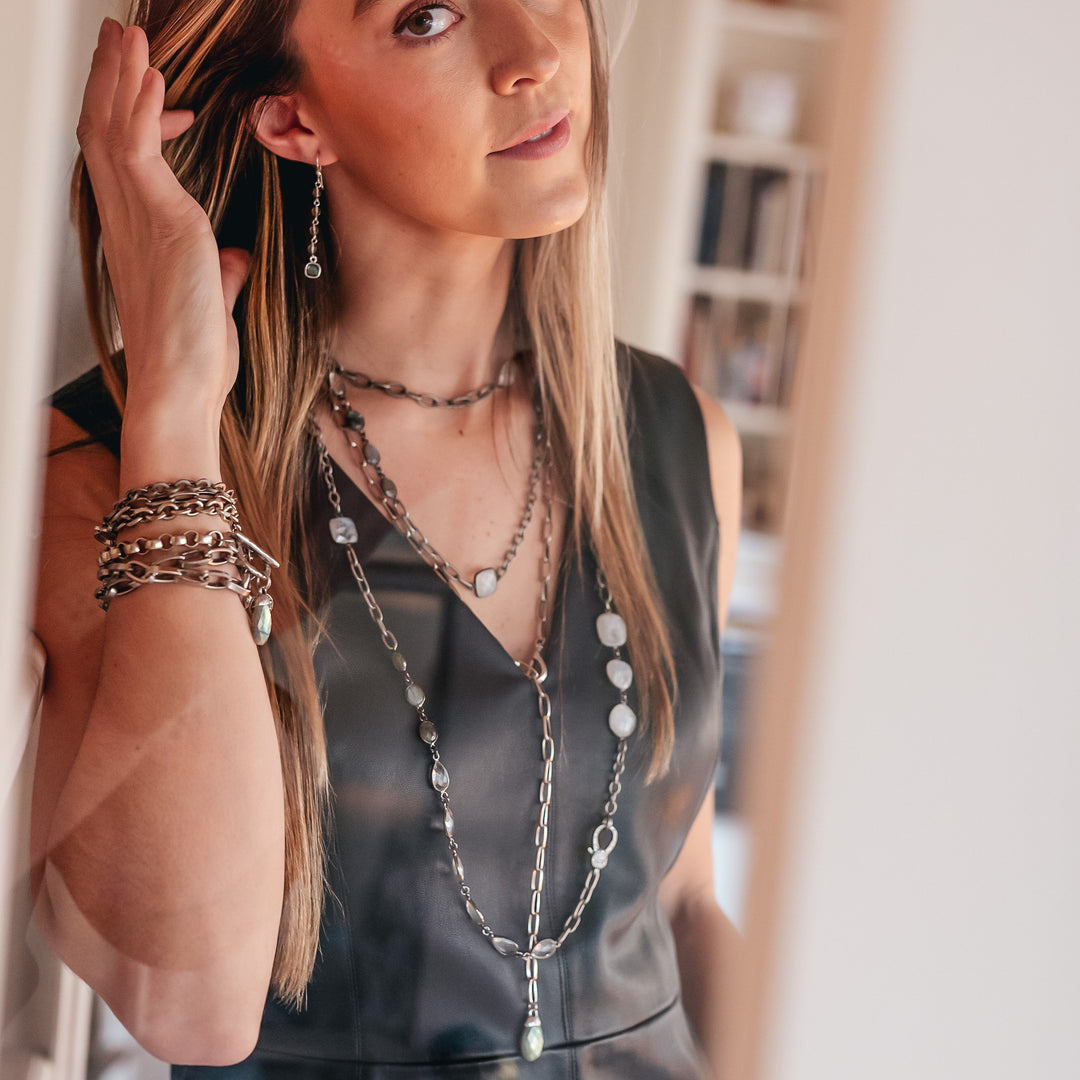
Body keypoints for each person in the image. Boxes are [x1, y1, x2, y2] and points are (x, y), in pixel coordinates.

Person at [32, 1, 742, 1076]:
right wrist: (175, 421)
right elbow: (198, 1008)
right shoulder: (97, 470)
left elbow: (681, 903)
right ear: (291, 119)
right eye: (427, 17)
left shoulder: (679, 437)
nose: (538, 53)